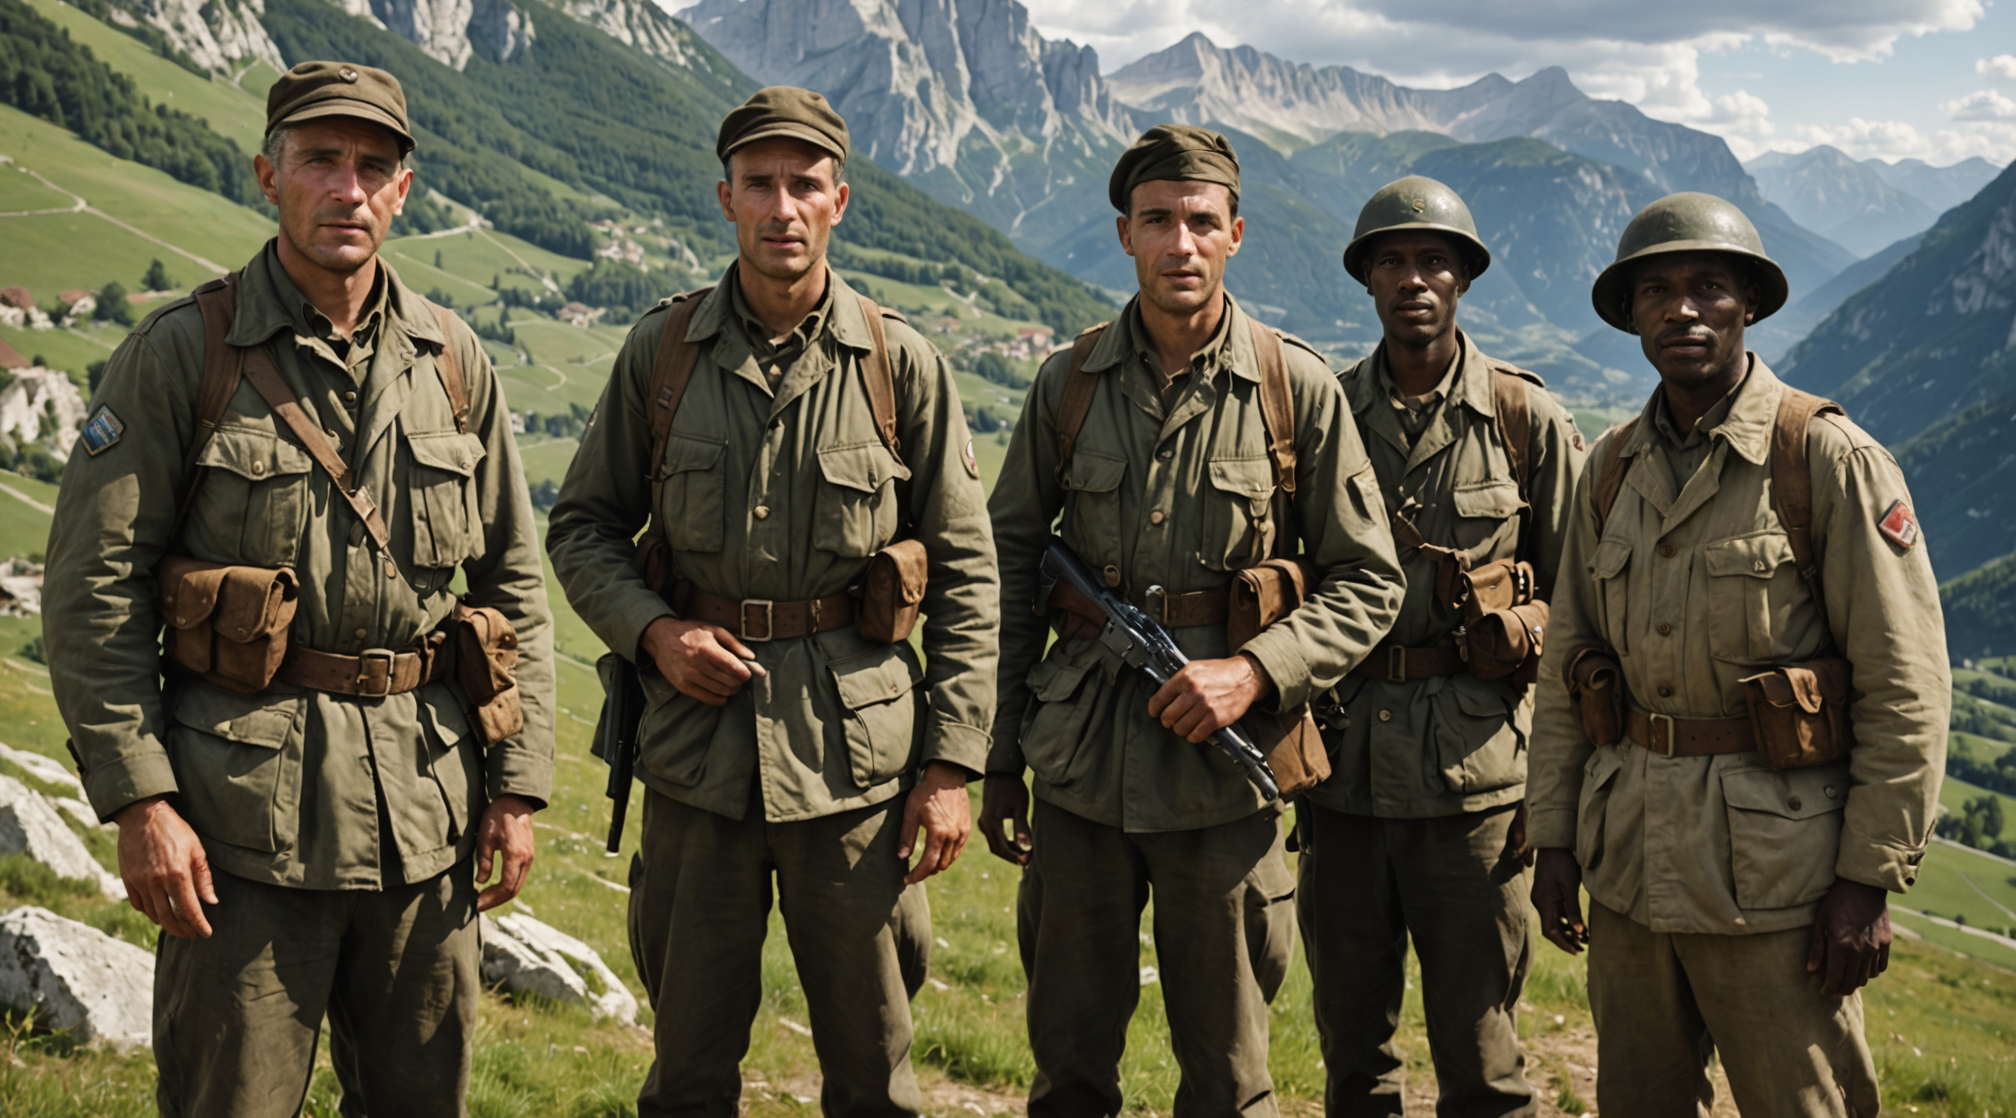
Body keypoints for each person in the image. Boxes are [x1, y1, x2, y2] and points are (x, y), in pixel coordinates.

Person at [44, 60, 555, 1116]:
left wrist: (517, 784)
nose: (348, 188)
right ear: (268, 175)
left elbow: (514, 580)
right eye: (321, 159)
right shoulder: (187, 353)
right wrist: (141, 801)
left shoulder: (454, 363)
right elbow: (94, 592)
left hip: (424, 824)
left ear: (403, 192)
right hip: (240, 836)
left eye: (374, 166)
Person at [544, 86, 999, 1118]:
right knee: (690, 1071)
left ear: (841, 200)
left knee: (875, 1075)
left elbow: (970, 574)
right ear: (725, 197)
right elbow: (582, 528)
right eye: (761, 184)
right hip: (697, 760)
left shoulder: (898, 364)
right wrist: (655, 634)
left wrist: (950, 766)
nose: (782, 207)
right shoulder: (661, 356)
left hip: (858, 773)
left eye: (805, 185)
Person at [981, 124, 1405, 1118]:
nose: (1181, 243)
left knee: (1228, 1078)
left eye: (1201, 222)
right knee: (1069, 1068)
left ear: (1237, 234)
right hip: (1081, 771)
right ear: (1125, 235)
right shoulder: (1069, 383)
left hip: (1225, 784)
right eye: (1159, 221)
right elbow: (1005, 567)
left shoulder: (1294, 388)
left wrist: (1254, 673)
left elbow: (1369, 581)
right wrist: (999, 758)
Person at [1526, 192, 1949, 1117]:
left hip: (1780, 884)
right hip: (1632, 868)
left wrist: (1867, 879)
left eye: (1709, 286)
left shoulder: (1825, 460)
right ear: (1632, 313)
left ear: (1747, 304)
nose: (1683, 309)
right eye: (1659, 290)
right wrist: (1553, 836)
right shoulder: (1609, 471)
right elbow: (1570, 669)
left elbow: (1905, 687)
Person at [1301, 175, 1584, 1116]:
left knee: (1483, 1056)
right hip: (1342, 775)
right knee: (1352, 1044)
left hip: (1480, 787)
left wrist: (1560, 797)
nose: (1413, 279)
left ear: (1463, 279)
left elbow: (1581, 607)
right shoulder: (1323, 413)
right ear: (1367, 280)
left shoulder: (1523, 420)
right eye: (1393, 262)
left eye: (1434, 262)